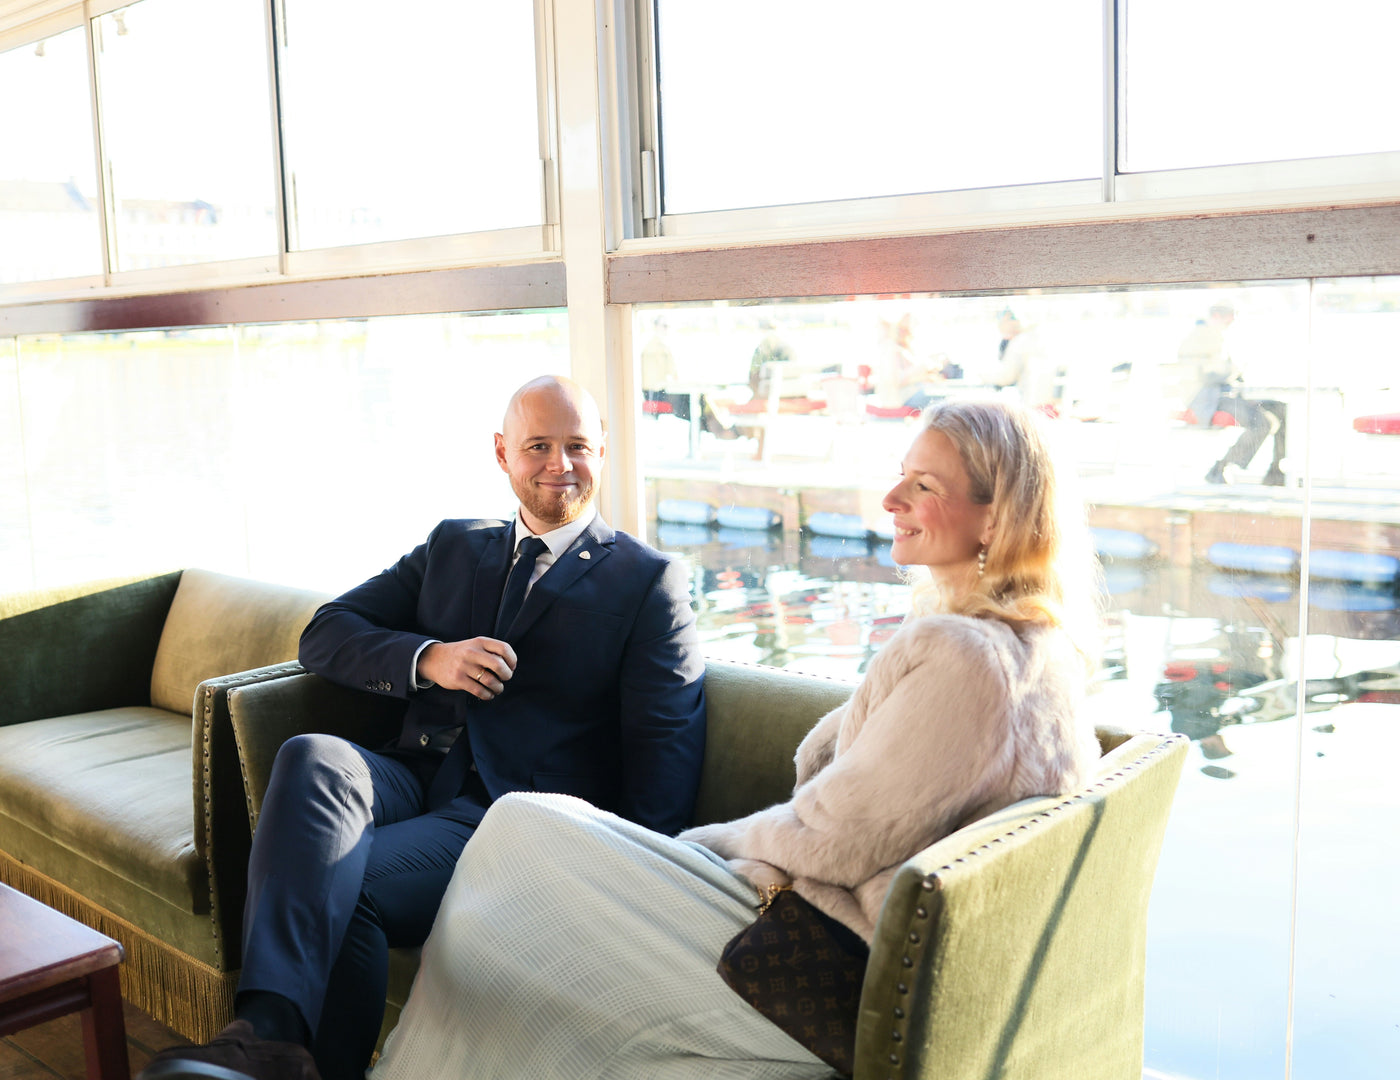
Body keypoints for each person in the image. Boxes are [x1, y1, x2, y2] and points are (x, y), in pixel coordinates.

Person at [366, 398, 1103, 1080]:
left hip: (827, 960)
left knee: (519, 826)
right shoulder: (1039, 650)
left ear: (996, 516)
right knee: (516, 891)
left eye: (924, 486)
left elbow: (834, 838)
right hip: (854, 936)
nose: (890, 502)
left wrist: (694, 848)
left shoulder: (967, 659)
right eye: (899, 478)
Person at [139, 376, 708, 1080]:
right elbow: (326, 633)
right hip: (411, 773)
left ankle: (270, 1046)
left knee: (351, 889)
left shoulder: (648, 581)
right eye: (539, 446)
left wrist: (623, 887)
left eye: (578, 446)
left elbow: (666, 751)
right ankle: (269, 1037)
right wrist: (428, 658)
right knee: (313, 755)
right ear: (502, 454)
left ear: (604, 453)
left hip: (514, 816)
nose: (561, 463)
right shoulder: (454, 546)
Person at [1177, 303, 1288, 486]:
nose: (1231, 323)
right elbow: (1205, 374)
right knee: (1262, 422)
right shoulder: (1199, 337)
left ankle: (1276, 470)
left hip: (1223, 395)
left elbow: (1220, 371)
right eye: (1229, 319)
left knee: (1281, 409)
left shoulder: (1214, 336)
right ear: (1217, 317)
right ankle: (1219, 468)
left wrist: (1237, 377)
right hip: (1207, 400)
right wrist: (1234, 370)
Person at [990, 308, 1061, 415]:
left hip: (1035, 407)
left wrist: (979, 375)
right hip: (1052, 406)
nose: (999, 327)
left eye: (1001, 322)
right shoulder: (1041, 335)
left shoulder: (1020, 342)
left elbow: (1006, 377)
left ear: (1012, 321)